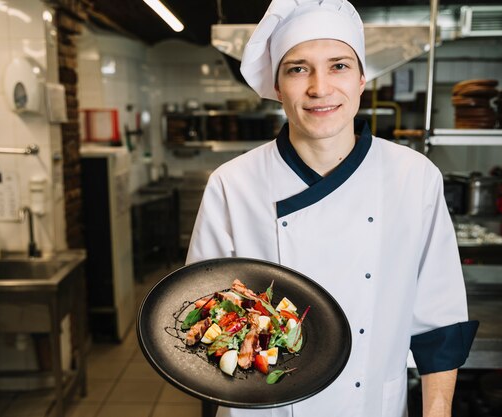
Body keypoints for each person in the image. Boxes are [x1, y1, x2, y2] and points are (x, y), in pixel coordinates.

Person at [186, 0, 478, 416]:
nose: (319, 88)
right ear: (277, 86)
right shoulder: (232, 184)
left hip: (370, 404)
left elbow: (439, 324)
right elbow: (205, 321)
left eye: (338, 65)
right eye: (298, 68)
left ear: (362, 79)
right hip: (262, 409)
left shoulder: (415, 178)